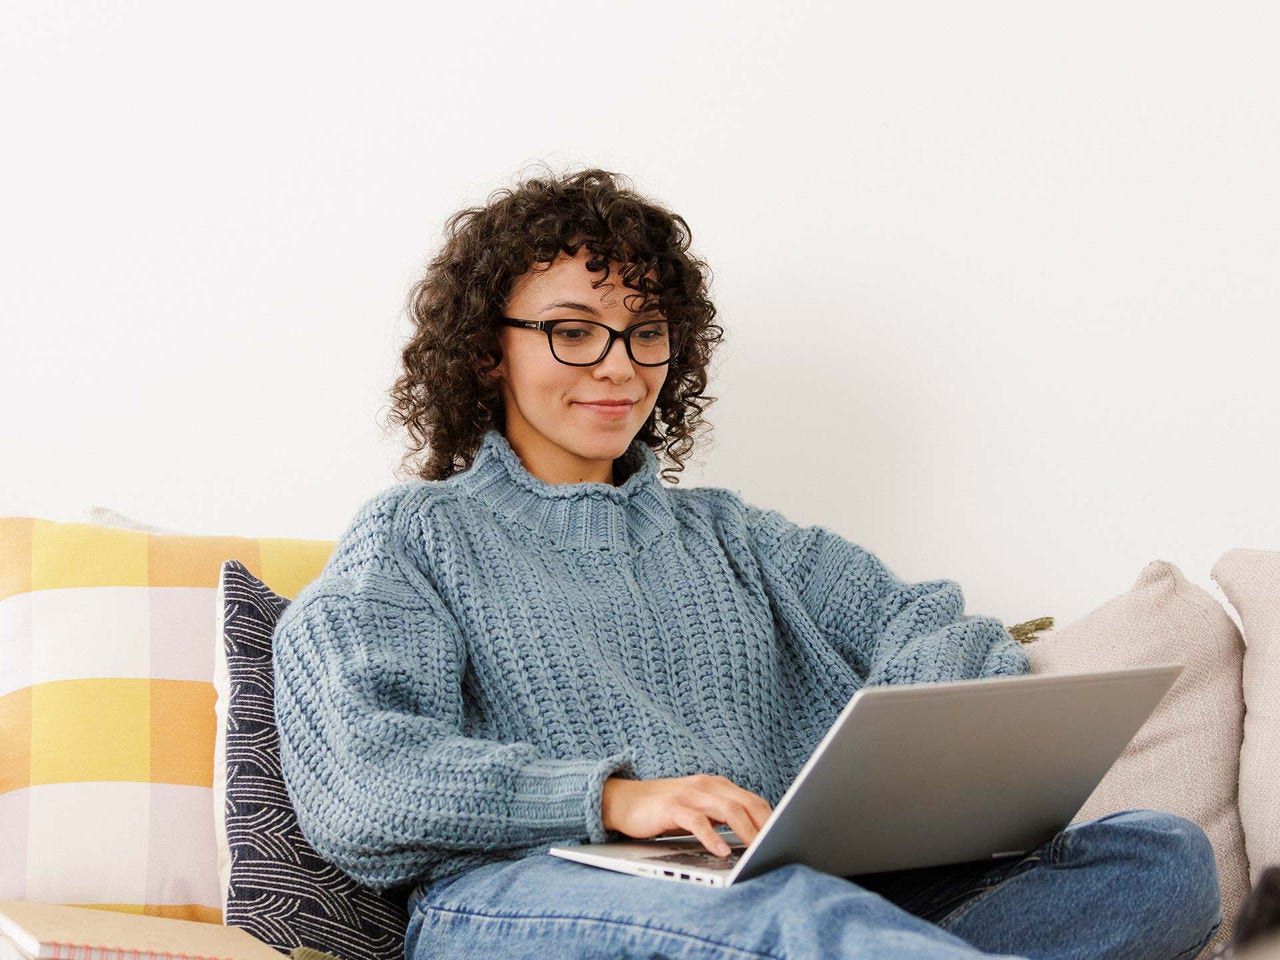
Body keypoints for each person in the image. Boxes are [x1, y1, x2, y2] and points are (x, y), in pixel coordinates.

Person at [271, 167, 1222, 960]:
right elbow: (363, 780)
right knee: (796, 921)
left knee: (1157, 857)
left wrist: (873, 786)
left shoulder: (738, 536)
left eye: (647, 331)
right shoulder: (413, 536)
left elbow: (936, 628)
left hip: (777, 884)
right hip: (522, 895)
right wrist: (612, 798)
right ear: (489, 353)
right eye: (574, 330)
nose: (619, 366)